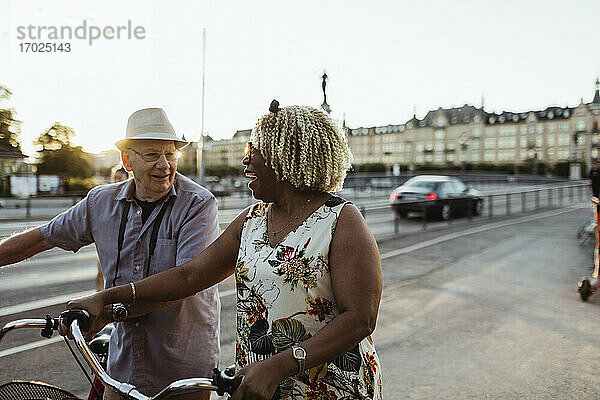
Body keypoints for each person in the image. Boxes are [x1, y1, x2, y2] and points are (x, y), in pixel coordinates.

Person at [67, 100, 383, 400]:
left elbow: (360, 318)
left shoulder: (342, 219)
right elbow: (189, 276)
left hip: (327, 388)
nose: (246, 159)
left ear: (285, 157)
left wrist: (279, 366)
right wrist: (106, 298)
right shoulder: (252, 220)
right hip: (259, 388)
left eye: (254, 150)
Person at [0, 108, 221, 400]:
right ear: (127, 160)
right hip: (122, 367)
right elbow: (42, 238)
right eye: (152, 155)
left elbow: (185, 282)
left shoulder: (198, 205)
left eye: (171, 154)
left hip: (181, 371)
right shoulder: (100, 202)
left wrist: (106, 309)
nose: (165, 164)